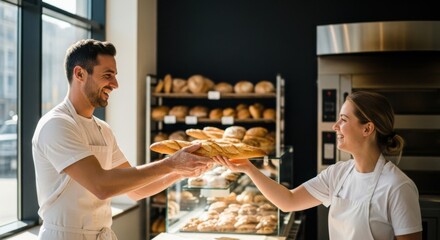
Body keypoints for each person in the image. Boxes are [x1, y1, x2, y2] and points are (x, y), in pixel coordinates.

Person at [32, 39, 213, 240]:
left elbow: (137, 190)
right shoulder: (56, 125)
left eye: (115, 76)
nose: (115, 84)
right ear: (80, 74)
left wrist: (182, 170)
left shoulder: (103, 129)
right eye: (108, 75)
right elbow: (101, 186)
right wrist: (171, 163)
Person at [214, 91, 423, 240]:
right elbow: (289, 201)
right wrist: (249, 168)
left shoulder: (397, 187)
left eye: (343, 120)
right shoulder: (339, 174)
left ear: (367, 129)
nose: (335, 127)